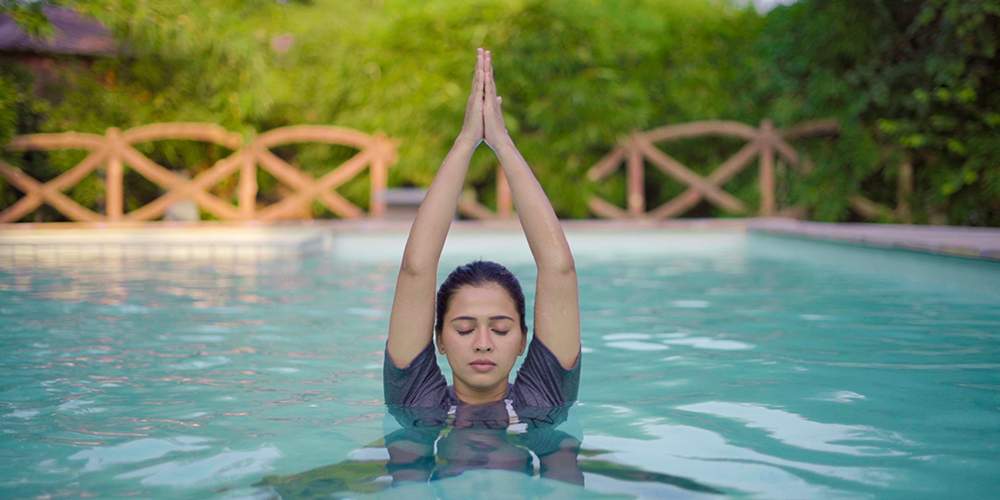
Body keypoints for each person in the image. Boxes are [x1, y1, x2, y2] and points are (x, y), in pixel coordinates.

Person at [384, 48, 581, 415]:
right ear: (438, 339)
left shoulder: (544, 397)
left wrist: (502, 142)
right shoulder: (417, 398)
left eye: (502, 330)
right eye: (463, 329)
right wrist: (465, 141)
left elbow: (559, 269)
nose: (483, 343)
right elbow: (416, 268)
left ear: (524, 339)